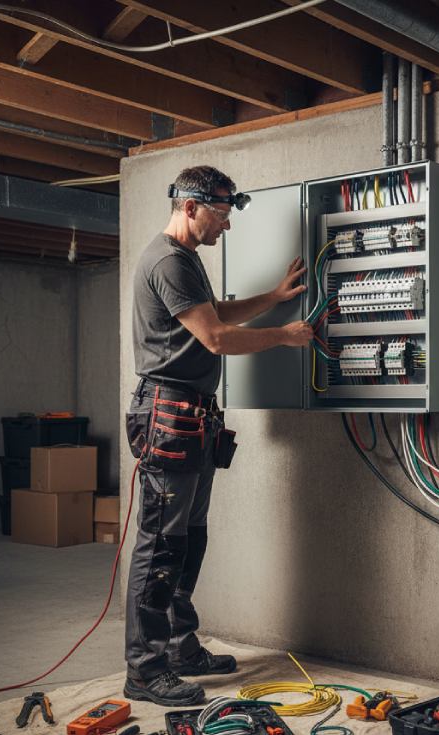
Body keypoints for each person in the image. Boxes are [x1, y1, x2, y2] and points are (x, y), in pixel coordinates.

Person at [123, 165, 312, 706]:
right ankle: (144, 667)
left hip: (193, 414)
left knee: (189, 537)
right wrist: (285, 334)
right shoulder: (167, 260)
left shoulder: (185, 261)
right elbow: (218, 339)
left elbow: (216, 314)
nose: (225, 227)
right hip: (168, 413)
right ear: (189, 206)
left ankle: (180, 646)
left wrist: (272, 297)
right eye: (220, 215)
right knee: (161, 543)